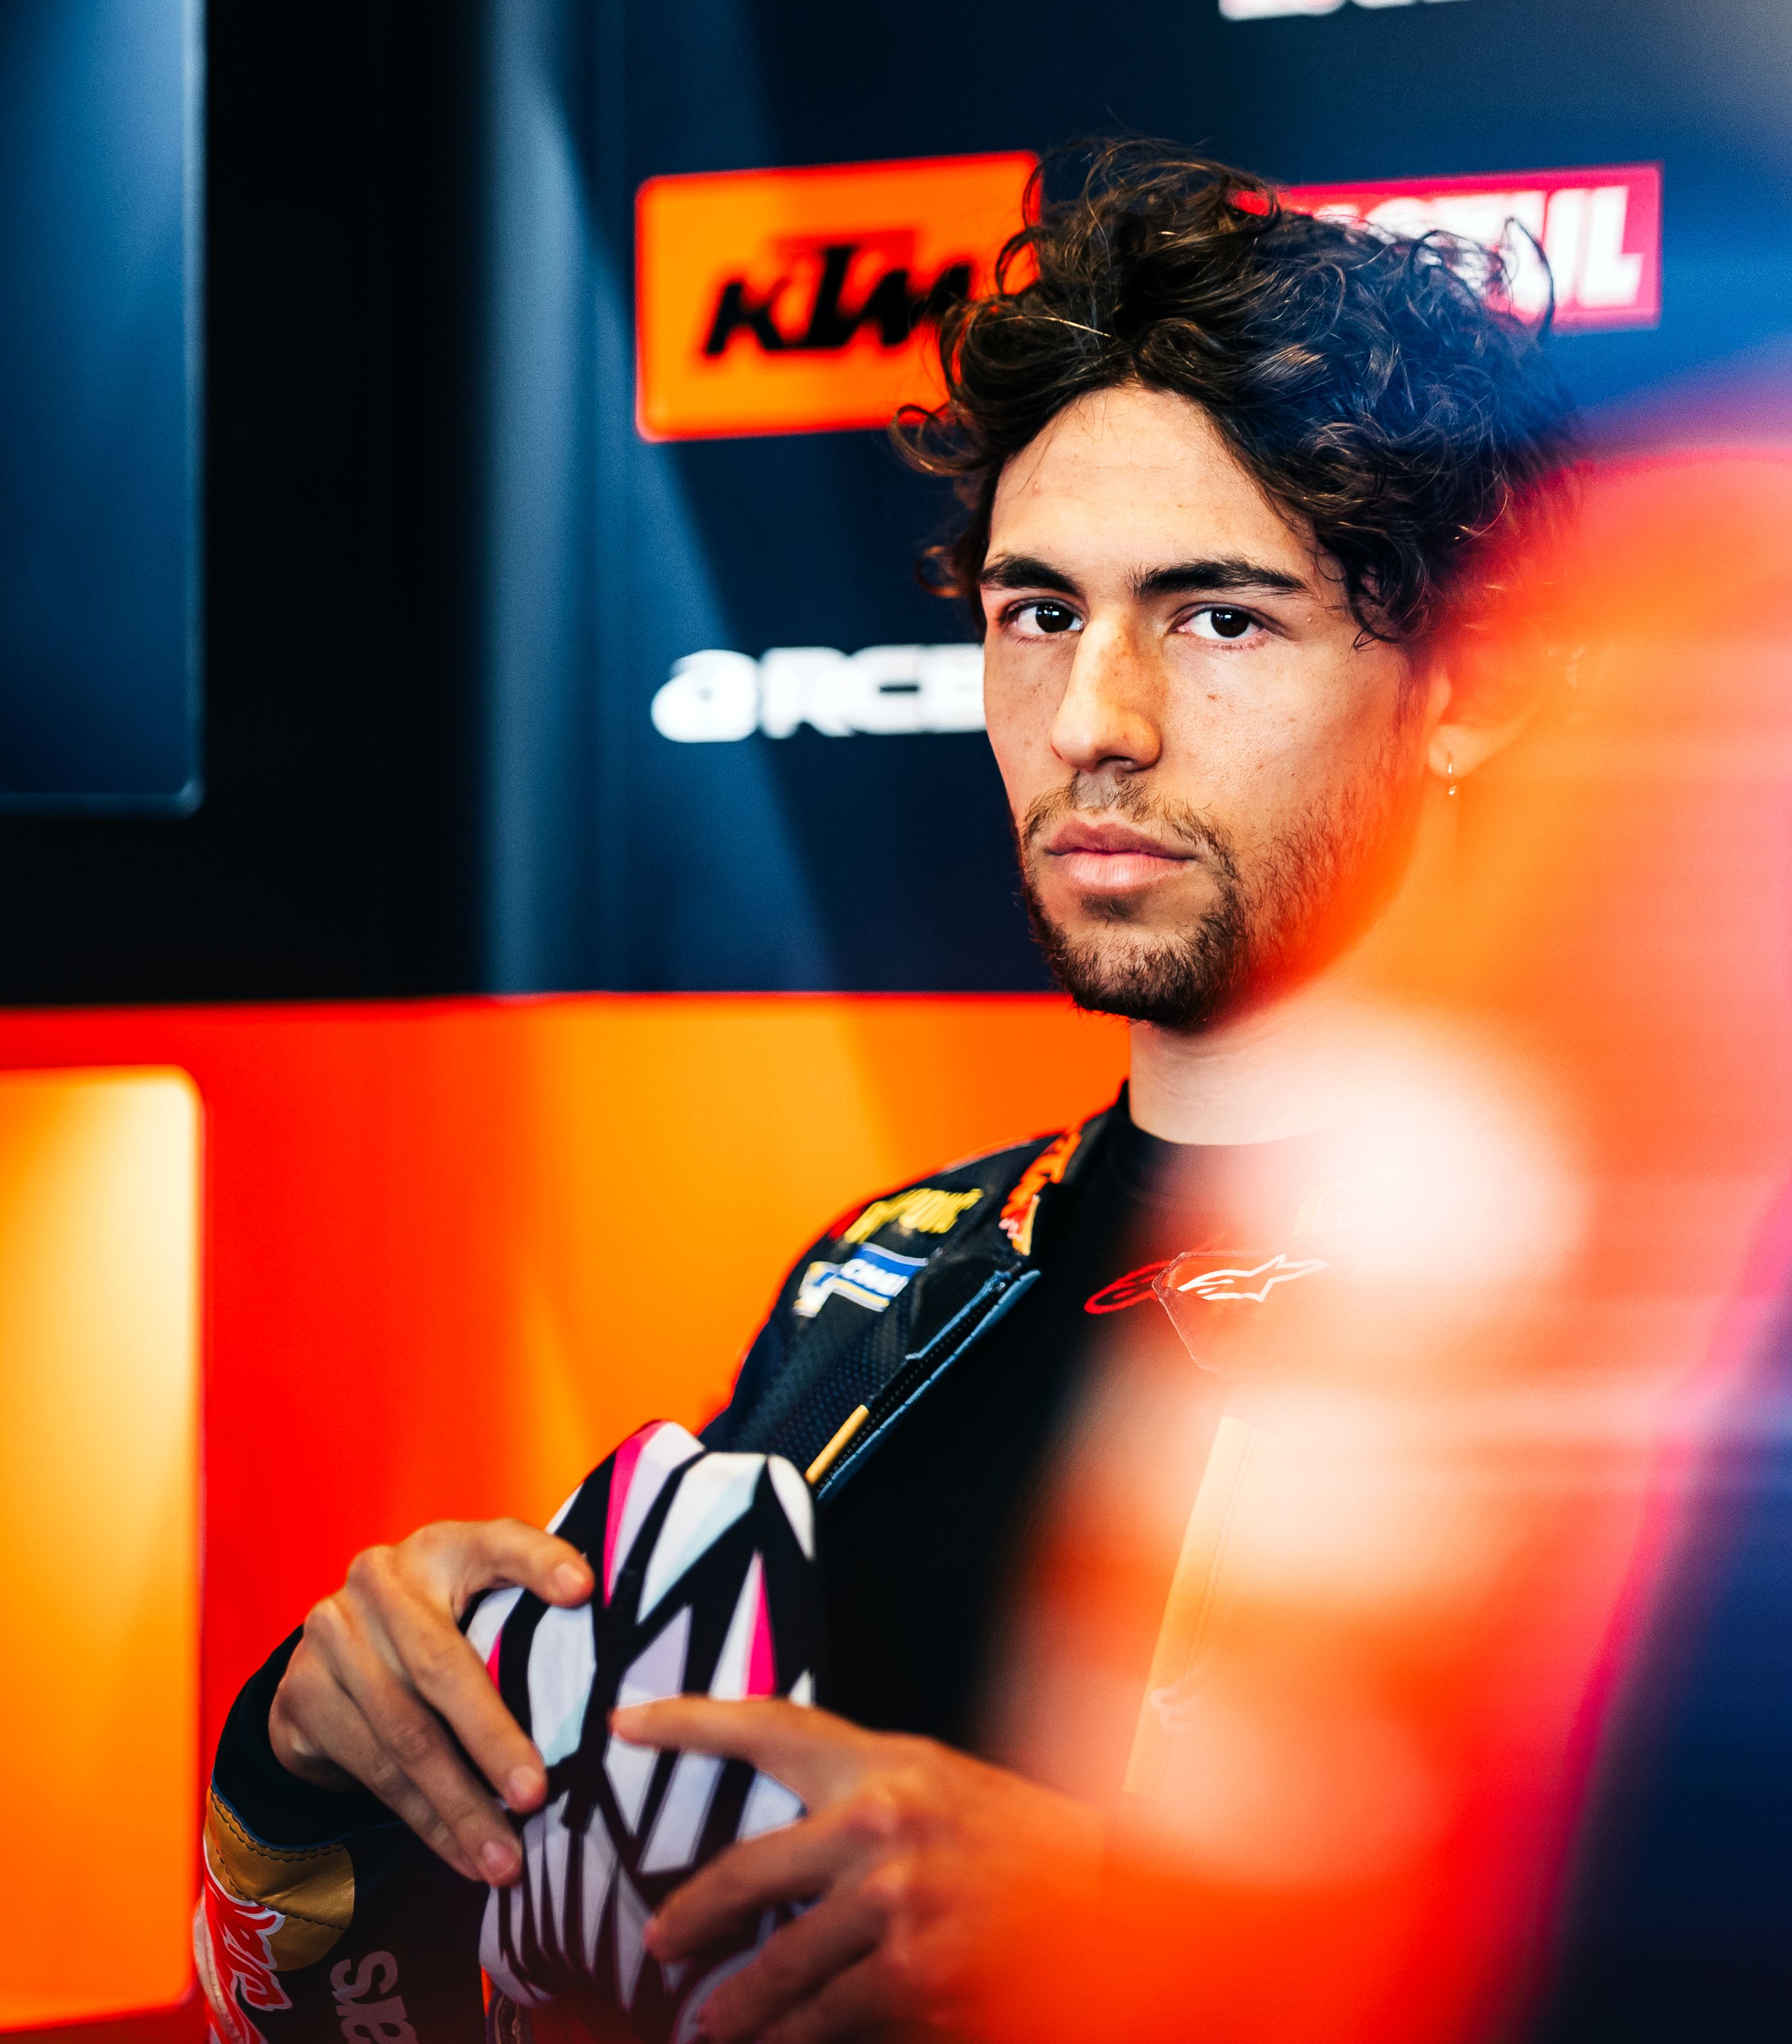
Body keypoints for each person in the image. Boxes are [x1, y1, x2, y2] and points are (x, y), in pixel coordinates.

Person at [197, 143, 1583, 2044]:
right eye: (1040, 613)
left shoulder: (1663, 1345)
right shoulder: (885, 1289)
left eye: (1218, 618)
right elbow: (440, 2000)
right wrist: (318, 1772)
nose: (1093, 723)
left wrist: (1125, 1939)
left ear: (1475, 682)